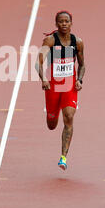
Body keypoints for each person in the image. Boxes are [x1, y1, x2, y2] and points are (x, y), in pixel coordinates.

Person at [37, 10, 85, 170]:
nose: (64, 24)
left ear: (71, 23)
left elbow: (82, 65)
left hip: (70, 85)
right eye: (61, 21)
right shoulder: (50, 41)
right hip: (53, 86)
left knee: (69, 117)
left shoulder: (77, 42)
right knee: (52, 124)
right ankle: (52, 112)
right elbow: (39, 62)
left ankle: (63, 157)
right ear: (56, 24)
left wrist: (79, 80)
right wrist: (43, 79)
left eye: (67, 21)